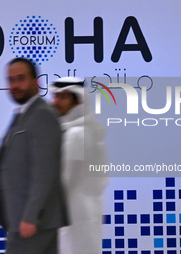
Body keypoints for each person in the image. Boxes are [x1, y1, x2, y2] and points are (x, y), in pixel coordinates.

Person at [0, 58, 68, 254]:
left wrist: (31, 216)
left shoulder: (42, 116)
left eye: (20, 79)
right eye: (10, 80)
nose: (14, 85)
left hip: (34, 223)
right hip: (23, 221)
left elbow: (44, 173)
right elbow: (5, 168)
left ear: (36, 82)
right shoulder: (22, 116)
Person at [51, 77, 109, 254]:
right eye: (55, 96)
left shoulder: (76, 134)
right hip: (86, 209)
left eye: (63, 97)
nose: (55, 102)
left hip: (74, 212)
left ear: (78, 101)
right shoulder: (88, 130)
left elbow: (65, 181)